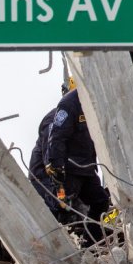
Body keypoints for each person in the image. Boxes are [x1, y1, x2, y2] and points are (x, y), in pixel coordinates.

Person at [43, 88, 111, 246]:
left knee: (100, 202)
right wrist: (58, 167)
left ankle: (89, 247)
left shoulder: (97, 99)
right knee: (62, 208)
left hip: (87, 167)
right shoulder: (69, 104)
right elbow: (57, 137)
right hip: (70, 168)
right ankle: (55, 246)